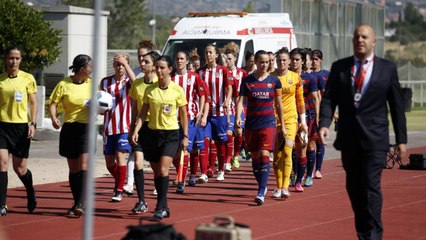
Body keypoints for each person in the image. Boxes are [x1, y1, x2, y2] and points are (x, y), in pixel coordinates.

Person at [319, 24, 407, 240]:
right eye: (357, 36)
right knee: (354, 188)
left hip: (375, 140)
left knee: (370, 185)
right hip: (349, 139)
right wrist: (324, 123)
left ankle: (373, 234)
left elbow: (396, 106)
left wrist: (402, 139)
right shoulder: (340, 67)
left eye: (365, 37)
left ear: (373, 41)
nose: (360, 40)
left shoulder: (387, 69)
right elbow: (329, 98)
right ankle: (363, 231)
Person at [131, 55, 188, 219]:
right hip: (152, 134)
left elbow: (184, 114)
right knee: (156, 172)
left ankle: (160, 207)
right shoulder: (150, 90)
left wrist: (185, 136)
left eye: (162, 67)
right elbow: (142, 113)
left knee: (163, 169)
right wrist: (136, 129)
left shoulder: (177, 90)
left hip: (171, 134)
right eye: (157, 67)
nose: (158, 70)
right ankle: (163, 206)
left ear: (170, 70)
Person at [236, 50, 285, 205]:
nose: (265, 65)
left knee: (264, 154)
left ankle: (261, 192)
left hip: (268, 122)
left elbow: (278, 104)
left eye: (267, 62)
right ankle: (261, 185)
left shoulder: (275, 81)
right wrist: (238, 117)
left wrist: (282, 125)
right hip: (251, 124)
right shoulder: (247, 80)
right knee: (255, 157)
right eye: (261, 62)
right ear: (255, 63)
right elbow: (240, 101)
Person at [49, 54, 93, 217]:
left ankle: (81, 203)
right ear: (82, 69)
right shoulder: (64, 84)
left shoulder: (92, 84)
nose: (92, 69)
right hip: (69, 129)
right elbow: (53, 103)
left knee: (84, 166)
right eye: (90, 67)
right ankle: (77, 203)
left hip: (86, 128)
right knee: (73, 169)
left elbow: (102, 102)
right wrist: (54, 117)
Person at [0, 46, 37, 216]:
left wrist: (33, 123)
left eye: (17, 58)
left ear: (21, 60)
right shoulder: (0, 79)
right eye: (10, 58)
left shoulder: (28, 78)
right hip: (2, 126)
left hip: (21, 127)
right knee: (2, 164)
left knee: (20, 168)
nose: (13, 61)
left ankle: (30, 191)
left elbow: (33, 103)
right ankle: (2, 204)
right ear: (5, 59)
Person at [99, 53, 136, 202]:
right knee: (109, 162)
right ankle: (121, 180)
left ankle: (118, 191)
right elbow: (100, 100)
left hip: (124, 127)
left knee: (120, 156)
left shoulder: (128, 82)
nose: (120, 67)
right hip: (108, 127)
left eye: (123, 64)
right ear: (113, 65)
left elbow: (136, 81)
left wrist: (126, 65)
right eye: (117, 64)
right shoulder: (105, 82)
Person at [271, 47, 307, 199]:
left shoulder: (295, 78)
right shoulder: (271, 77)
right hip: (273, 120)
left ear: (289, 61)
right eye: (279, 60)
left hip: (291, 119)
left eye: (284, 60)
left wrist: (303, 121)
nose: (282, 62)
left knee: (287, 150)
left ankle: (285, 187)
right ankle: (278, 187)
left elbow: (300, 101)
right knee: (277, 155)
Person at [171, 50, 208, 192]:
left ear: (187, 61)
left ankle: (182, 180)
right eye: (177, 58)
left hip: (190, 118)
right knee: (175, 152)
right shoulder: (171, 77)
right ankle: (184, 173)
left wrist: (201, 113)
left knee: (185, 149)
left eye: (182, 59)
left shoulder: (194, 77)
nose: (179, 61)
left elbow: (202, 94)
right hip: (173, 120)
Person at [127, 51, 159, 213]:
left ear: (154, 65)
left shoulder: (161, 84)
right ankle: (141, 201)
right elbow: (134, 108)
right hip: (140, 127)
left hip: (157, 128)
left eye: (146, 61)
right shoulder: (136, 84)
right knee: (138, 162)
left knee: (157, 167)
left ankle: (161, 198)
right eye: (141, 61)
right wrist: (132, 127)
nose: (142, 63)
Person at [197, 44, 234, 181]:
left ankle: (221, 170)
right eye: (206, 52)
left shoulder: (223, 70)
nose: (208, 55)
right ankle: (204, 173)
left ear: (216, 55)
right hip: (206, 113)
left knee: (220, 143)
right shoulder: (200, 72)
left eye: (211, 52)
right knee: (205, 142)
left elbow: (229, 88)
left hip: (220, 113)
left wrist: (227, 100)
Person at [290, 48, 320, 191]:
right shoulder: (287, 76)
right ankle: (296, 175)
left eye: (297, 60)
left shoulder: (310, 78)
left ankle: (309, 174)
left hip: (308, 116)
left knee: (310, 146)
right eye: (292, 59)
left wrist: (318, 117)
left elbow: (315, 98)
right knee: (293, 148)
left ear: (303, 62)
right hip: (291, 117)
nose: (294, 62)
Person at [224, 43, 248, 170]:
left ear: (235, 59)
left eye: (230, 59)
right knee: (228, 133)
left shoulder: (242, 73)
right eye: (226, 59)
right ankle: (226, 159)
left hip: (239, 105)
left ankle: (235, 156)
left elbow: (247, 88)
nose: (227, 61)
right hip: (227, 106)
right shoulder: (222, 72)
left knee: (238, 132)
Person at [311, 49, 330, 179]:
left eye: (316, 59)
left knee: (319, 140)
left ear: (321, 60)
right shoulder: (307, 75)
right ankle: (307, 169)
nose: (314, 62)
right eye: (312, 59)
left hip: (322, 112)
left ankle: (318, 169)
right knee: (309, 142)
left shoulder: (326, 75)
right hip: (309, 111)